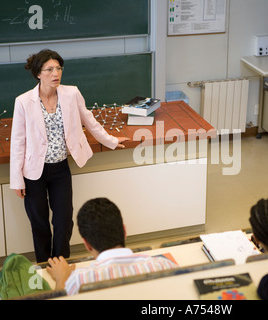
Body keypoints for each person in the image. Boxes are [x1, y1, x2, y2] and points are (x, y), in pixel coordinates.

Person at [10, 49, 129, 263]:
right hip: (33, 172)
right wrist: (17, 179)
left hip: (60, 168)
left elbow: (89, 120)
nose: (56, 73)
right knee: (39, 222)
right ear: (38, 73)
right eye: (49, 69)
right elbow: (18, 143)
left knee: (64, 221)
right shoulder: (23, 102)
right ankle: (45, 266)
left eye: (58, 68)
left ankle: (61, 262)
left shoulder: (71, 93)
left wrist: (111, 140)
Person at [46, 197, 178, 295]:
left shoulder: (78, 281)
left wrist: (61, 279)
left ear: (86, 244)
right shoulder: (164, 265)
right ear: (125, 231)